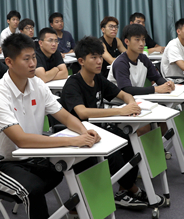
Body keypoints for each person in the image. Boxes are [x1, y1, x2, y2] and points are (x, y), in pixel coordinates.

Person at [0, 33, 104, 219]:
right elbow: (21, 140)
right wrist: (74, 141)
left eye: (33, 58)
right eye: (26, 59)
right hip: (2, 164)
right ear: (9, 62)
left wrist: (84, 131)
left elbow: (64, 115)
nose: (32, 64)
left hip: (34, 157)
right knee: (35, 187)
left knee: (87, 160)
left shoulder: (37, 84)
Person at [61, 36, 152, 209]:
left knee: (130, 141)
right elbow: (82, 112)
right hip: (81, 134)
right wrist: (120, 110)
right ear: (81, 61)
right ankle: (132, 189)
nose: (99, 61)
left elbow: (122, 94)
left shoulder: (99, 79)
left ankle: (122, 190)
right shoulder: (73, 83)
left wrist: (131, 103)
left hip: (100, 129)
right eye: (93, 57)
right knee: (114, 154)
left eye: (100, 57)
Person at [110, 24, 174, 95]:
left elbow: (157, 78)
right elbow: (127, 90)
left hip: (137, 99)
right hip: (118, 103)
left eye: (143, 39)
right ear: (127, 41)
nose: (141, 43)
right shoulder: (120, 62)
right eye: (137, 39)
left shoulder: (143, 58)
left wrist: (167, 84)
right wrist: (155, 89)